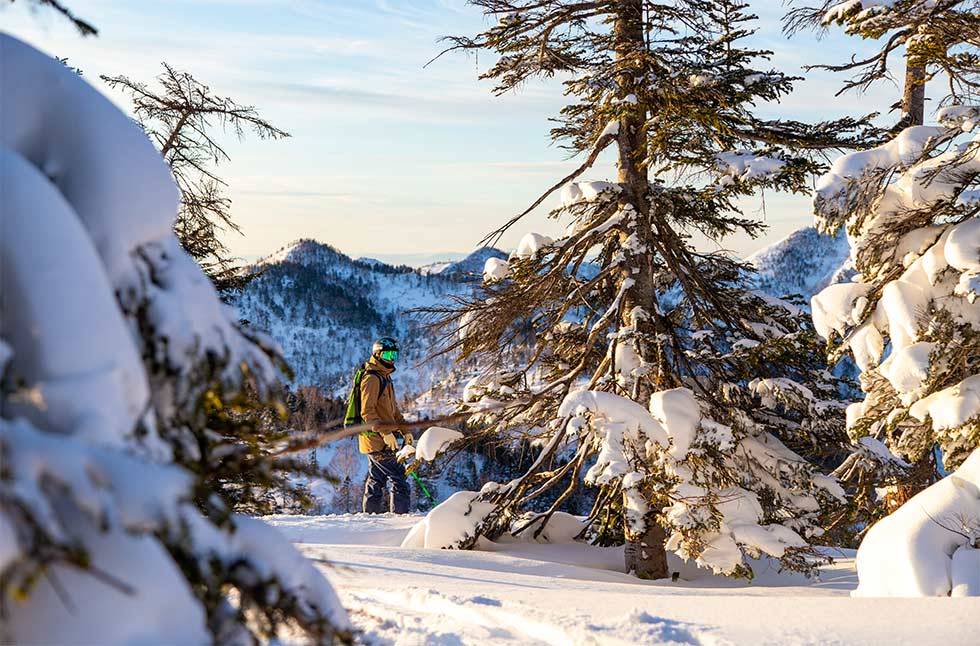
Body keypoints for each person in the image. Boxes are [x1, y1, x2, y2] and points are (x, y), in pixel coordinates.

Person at [358, 337, 413, 514]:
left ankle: (370, 518)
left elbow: (394, 412)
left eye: (394, 354)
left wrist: (405, 431)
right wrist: (385, 433)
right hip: (376, 440)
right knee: (400, 478)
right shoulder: (372, 378)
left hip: (380, 440)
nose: (391, 358)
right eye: (388, 354)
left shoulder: (385, 378)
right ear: (377, 354)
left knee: (377, 480)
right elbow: (367, 412)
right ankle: (400, 519)